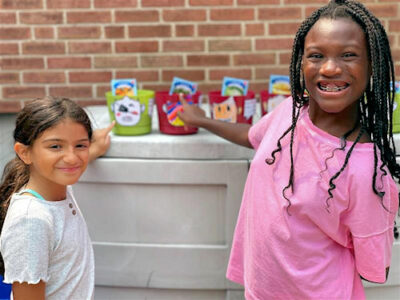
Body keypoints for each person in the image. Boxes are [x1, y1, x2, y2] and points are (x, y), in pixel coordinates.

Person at [177, 0, 399, 299]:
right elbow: (252, 137)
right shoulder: (290, 112)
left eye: (349, 55)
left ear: (371, 65)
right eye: (316, 55)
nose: (331, 67)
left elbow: (375, 268)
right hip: (261, 290)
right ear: (301, 62)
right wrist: (202, 119)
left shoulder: (367, 171)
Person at [0, 96, 114, 299]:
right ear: (24, 153)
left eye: (80, 146)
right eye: (55, 147)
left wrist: (94, 147)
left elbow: (71, 162)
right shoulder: (31, 221)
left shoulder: (58, 186)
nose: (72, 157)